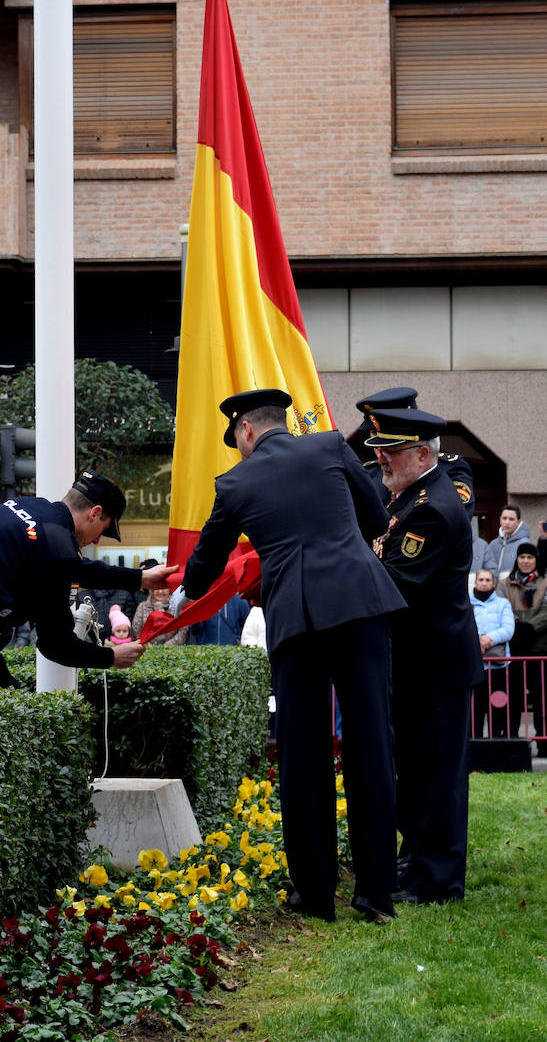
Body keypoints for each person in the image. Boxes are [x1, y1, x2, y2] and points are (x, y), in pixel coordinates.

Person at [182, 388, 407, 924]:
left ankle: (315, 893)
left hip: (298, 619)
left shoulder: (233, 483)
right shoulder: (331, 446)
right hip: (360, 604)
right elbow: (377, 521)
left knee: (303, 756)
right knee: (371, 742)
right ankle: (376, 893)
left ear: (246, 432)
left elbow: (198, 575)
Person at [0, 470, 175, 692]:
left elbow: (73, 567)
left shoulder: (26, 507)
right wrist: (110, 658)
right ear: (95, 513)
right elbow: (55, 644)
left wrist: (139, 577)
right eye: (103, 529)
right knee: (4, 725)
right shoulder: (56, 546)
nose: (98, 539)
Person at [364, 406, 484, 905]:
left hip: (436, 668)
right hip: (418, 665)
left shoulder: (431, 507)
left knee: (437, 777)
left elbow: (394, 582)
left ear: (422, 453)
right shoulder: (411, 497)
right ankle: (415, 863)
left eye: (391, 452)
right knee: (415, 773)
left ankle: (437, 882)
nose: (382, 461)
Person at [355, 386, 475, 518]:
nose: (379, 442)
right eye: (374, 433)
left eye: (388, 438)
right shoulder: (369, 473)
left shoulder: (448, 469)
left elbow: (454, 519)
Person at [498, 543, 547, 742]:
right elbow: (502, 609)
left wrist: (530, 628)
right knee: (513, 698)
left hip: (539, 649)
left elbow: (546, 612)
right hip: (514, 650)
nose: (525, 561)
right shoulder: (504, 584)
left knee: (541, 698)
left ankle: (543, 741)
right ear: (517, 560)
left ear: (536, 560)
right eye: (522, 557)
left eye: (530, 557)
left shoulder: (545, 582)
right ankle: (512, 739)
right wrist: (517, 627)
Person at [469, 568, 514, 739]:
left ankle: (497, 741)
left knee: (498, 706)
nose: (484, 583)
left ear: (493, 583)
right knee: (476, 707)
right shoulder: (466, 602)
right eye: (481, 579)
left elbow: (509, 629)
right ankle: (476, 743)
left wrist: (488, 639)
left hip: (499, 665)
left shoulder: (503, 604)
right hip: (475, 664)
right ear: (475, 582)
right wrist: (478, 640)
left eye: (488, 580)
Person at [131, 582, 189, 646]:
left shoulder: (177, 606)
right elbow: (136, 629)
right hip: (146, 649)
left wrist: (165, 647)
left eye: (164, 589)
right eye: (157, 589)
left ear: (169, 590)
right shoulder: (142, 606)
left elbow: (183, 630)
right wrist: (148, 646)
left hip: (173, 649)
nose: (160, 592)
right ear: (152, 591)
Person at [484, 505, 531, 581]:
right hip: (495, 590)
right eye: (504, 518)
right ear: (500, 520)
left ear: (519, 522)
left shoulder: (525, 544)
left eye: (511, 519)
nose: (507, 522)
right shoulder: (493, 544)